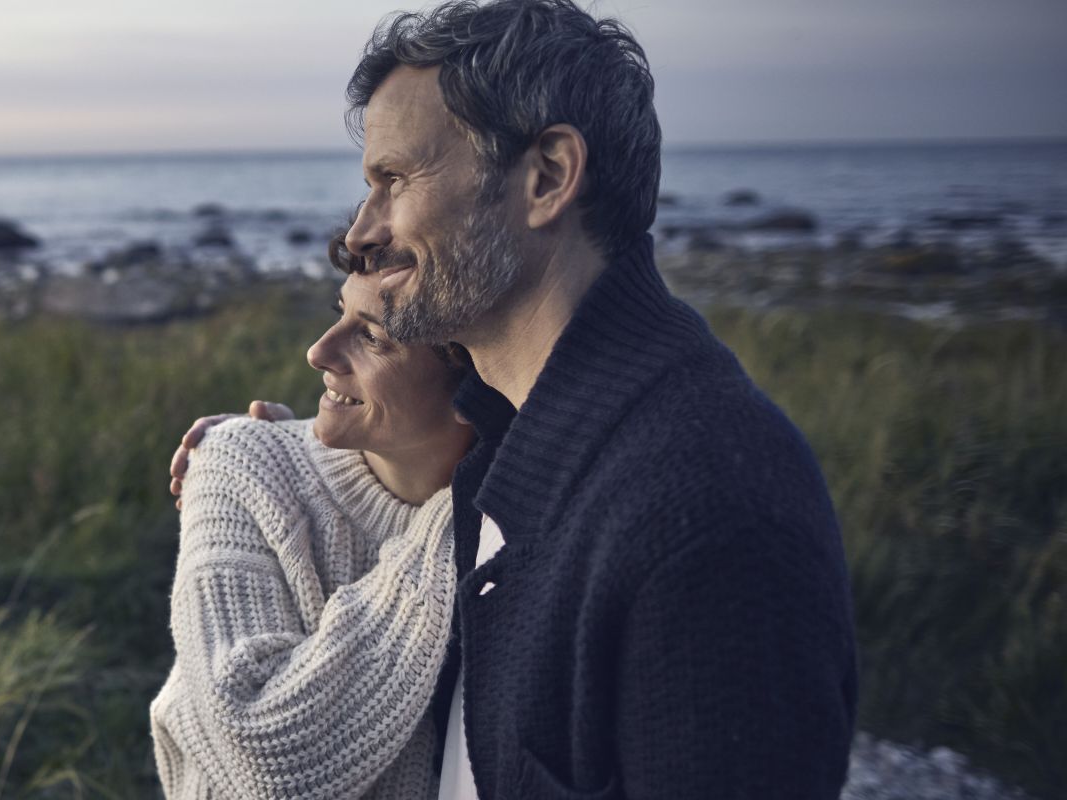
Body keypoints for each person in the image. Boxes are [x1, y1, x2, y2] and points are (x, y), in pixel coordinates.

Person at [169, 1, 859, 798]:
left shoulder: (706, 503)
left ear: (548, 177)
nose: (362, 232)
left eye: (394, 180)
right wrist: (272, 464)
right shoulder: (509, 449)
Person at [149, 264, 476, 798]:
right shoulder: (243, 461)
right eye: (338, 312)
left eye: (372, 337)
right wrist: (455, 519)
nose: (318, 352)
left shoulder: (516, 520)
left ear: (475, 390)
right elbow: (264, 753)